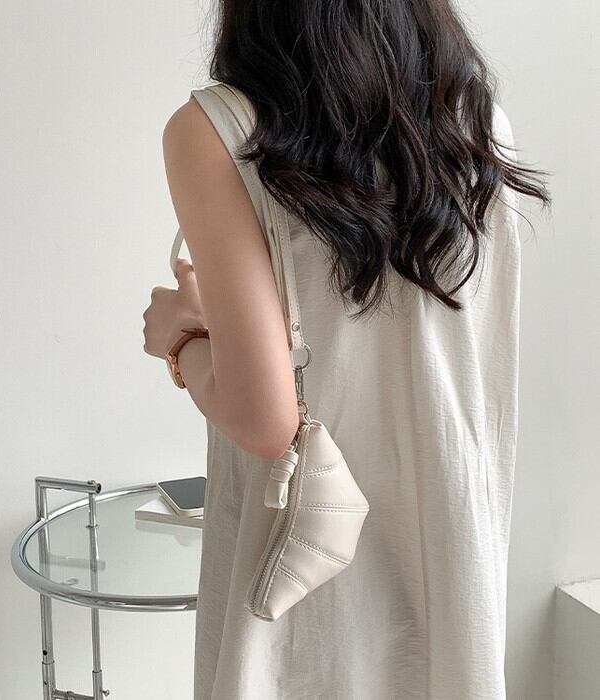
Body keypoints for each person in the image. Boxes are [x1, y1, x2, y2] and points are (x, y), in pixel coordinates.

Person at [143, 1, 549, 698]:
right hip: (449, 546)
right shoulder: (475, 122)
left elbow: (265, 421)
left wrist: (183, 340)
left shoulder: (216, 131)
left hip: (301, 566)